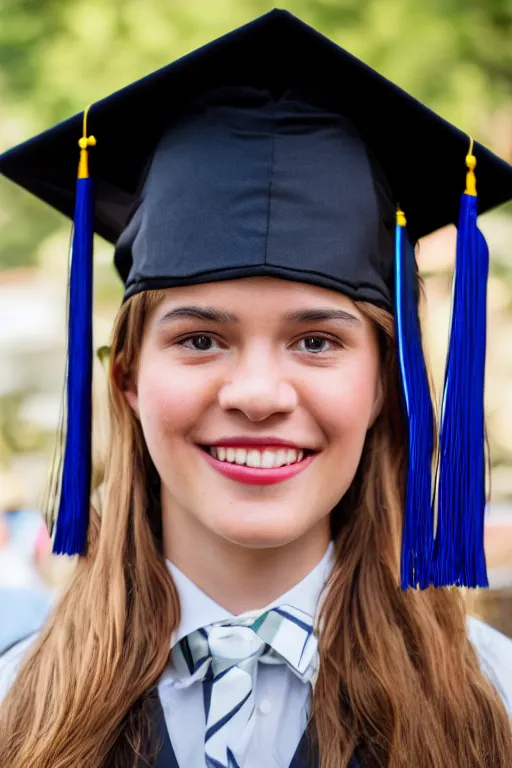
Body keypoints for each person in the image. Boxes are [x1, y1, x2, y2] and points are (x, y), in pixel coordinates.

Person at [0, 9, 511, 768]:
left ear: (382, 385)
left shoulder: (494, 706)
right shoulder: (14, 706)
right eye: (201, 339)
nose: (259, 393)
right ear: (129, 376)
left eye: (317, 341)